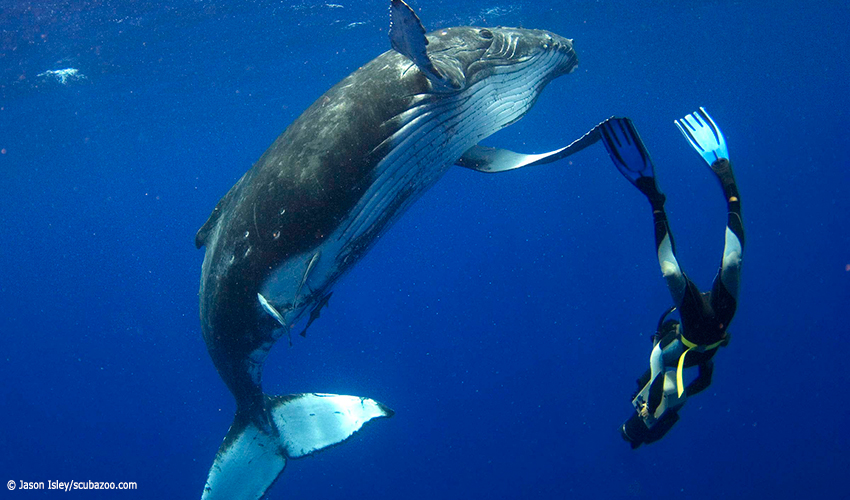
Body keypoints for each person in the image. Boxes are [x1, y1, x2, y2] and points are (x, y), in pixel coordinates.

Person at [598, 108, 744, 449]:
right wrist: (671, 402)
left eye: (641, 417)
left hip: (693, 328)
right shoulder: (683, 385)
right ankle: (728, 180)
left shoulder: (659, 367)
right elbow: (698, 384)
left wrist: (651, 395)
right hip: (718, 322)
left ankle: (655, 200)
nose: (647, 414)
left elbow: (658, 360)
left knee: (670, 271)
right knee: (733, 263)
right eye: (647, 420)